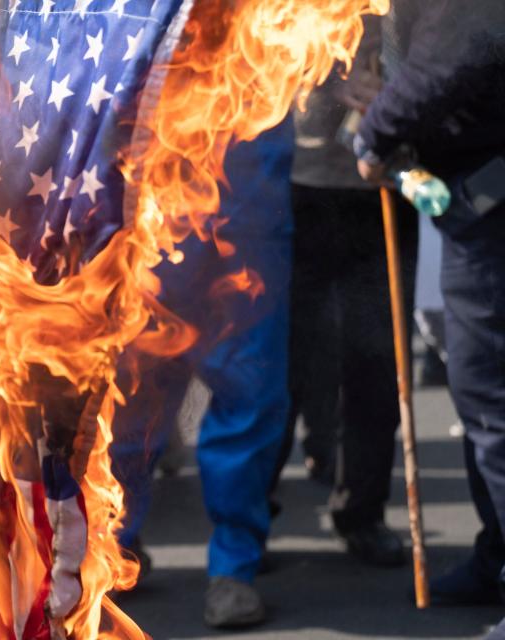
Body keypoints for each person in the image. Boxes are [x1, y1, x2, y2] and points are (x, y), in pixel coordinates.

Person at [112, 115, 294, 629]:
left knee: (249, 398)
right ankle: (114, 548)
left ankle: (234, 568)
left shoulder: (273, 34)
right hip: (152, 228)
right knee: (131, 401)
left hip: (247, 233)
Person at [353, 0, 505, 608]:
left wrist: (376, 131)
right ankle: (497, 556)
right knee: (482, 399)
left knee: (493, 398)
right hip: (477, 189)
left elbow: (454, 51)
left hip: (491, 196)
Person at [271, 15, 417, 567]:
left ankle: (363, 511)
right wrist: (331, 79)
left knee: (379, 360)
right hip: (300, 180)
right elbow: (253, 47)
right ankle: (250, 518)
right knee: (283, 362)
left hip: (388, 182)